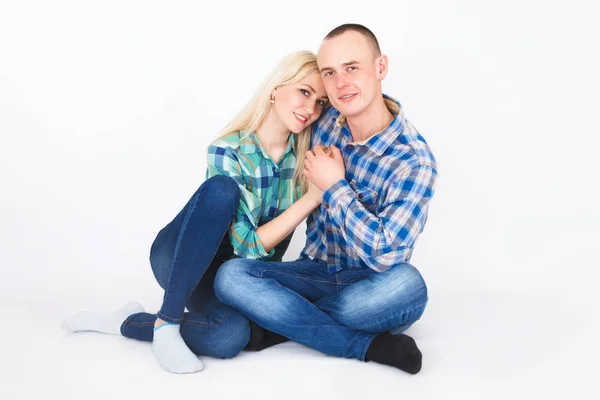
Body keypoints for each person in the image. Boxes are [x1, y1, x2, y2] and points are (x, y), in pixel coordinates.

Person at [61, 50, 329, 374]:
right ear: (276, 89)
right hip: (179, 255)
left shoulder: (304, 163)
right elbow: (247, 246)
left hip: (225, 277)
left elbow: (259, 262)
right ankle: (169, 320)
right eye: (305, 91)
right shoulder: (228, 148)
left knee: (231, 336)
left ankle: (131, 322)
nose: (311, 109)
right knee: (221, 189)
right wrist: (311, 199)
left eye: (321, 102)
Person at [214, 24, 437, 374]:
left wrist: (335, 187)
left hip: (368, 284)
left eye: (352, 68)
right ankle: (359, 344)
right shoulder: (325, 118)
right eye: (330, 73)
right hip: (313, 271)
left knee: (408, 287)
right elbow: (280, 119)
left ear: (380, 68)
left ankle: (282, 321)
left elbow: (388, 254)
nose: (340, 84)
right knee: (230, 276)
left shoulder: (414, 161)